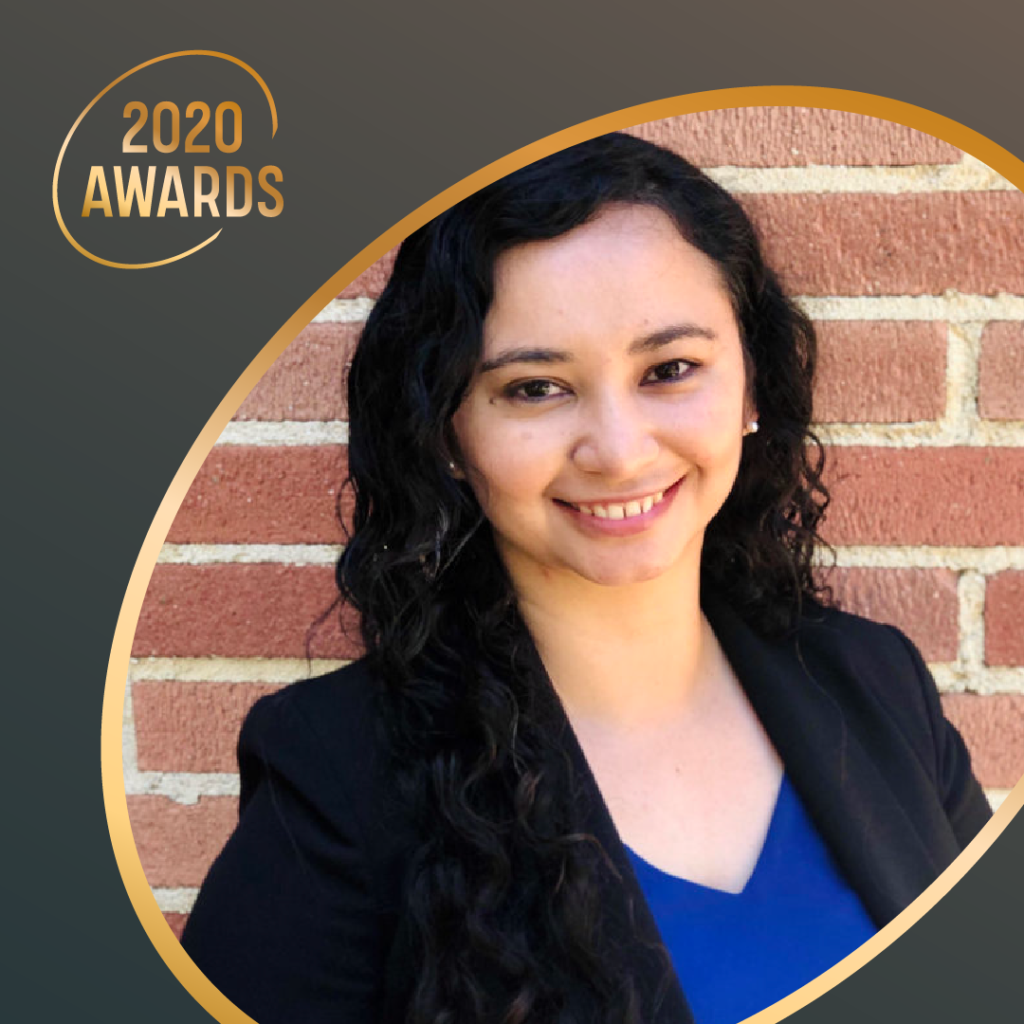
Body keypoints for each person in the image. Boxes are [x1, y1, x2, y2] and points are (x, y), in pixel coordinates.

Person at [181, 132, 991, 1024]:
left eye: (670, 370)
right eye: (535, 388)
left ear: (753, 386)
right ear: (449, 432)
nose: (618, 450)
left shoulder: (876, 685)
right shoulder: (340, 776)